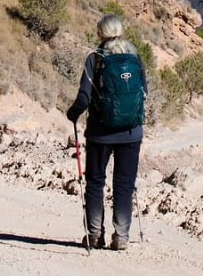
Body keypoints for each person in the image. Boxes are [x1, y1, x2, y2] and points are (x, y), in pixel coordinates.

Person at [66, 14, 147, 251]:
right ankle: (121, 236)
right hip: (131, 133)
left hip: (100, 133)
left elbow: (84, 97)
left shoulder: (96, 59)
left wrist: (72, 114)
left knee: (95, 182)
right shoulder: (135, 58)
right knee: (124, 184)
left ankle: (94, 234)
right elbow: (144, 93)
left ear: (100, 33)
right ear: (121, 32)